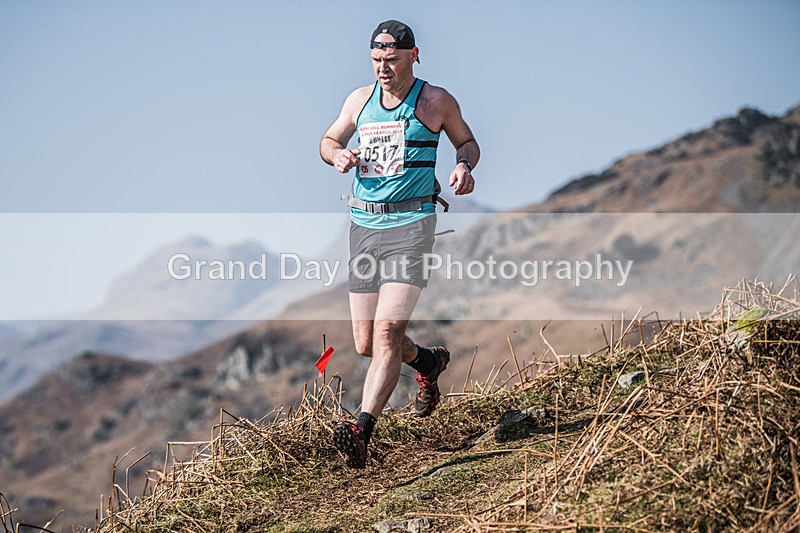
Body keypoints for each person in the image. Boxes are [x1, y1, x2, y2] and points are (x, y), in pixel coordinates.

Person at [319, 19, 480, 469]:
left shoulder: (434, 101)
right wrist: (337, 155)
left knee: (389, 332)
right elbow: (328, 139)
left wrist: (464, 166)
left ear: (413, 55)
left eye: (390, 60)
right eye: (375, 60)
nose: (382, 69)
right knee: (367, 342)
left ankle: (361, 428)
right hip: (364, 226)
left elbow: (467, 142)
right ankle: (427, 362)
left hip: (413, 223)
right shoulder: (359, 100)